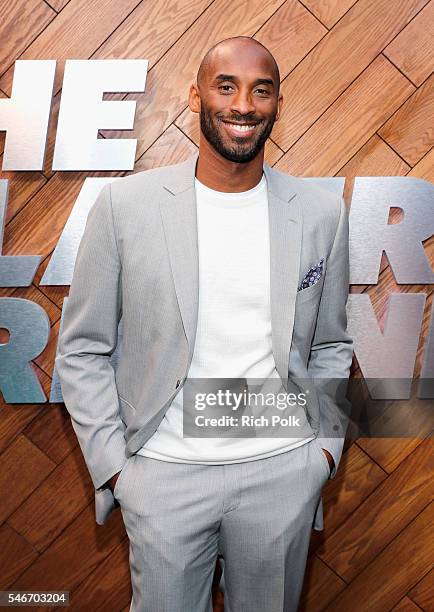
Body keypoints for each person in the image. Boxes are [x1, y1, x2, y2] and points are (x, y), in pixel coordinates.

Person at [56, 35, 353, 612]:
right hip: (162, 479)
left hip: (281, 472)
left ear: (277, 105)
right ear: (195, 97)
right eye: (226, 86)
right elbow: (83, 350)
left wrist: (321, 454)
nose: (243, 104)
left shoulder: (321, 212)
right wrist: (118, 471)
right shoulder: (126, 207)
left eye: (260, 90)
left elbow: (333, 343)